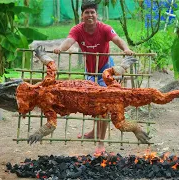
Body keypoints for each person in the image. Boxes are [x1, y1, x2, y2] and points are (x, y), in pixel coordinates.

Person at [54, 1, 133, 153]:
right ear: (82, 15)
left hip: (105, 69)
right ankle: (94, 131)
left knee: (103, 106)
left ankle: (101, 142)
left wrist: (126, 49)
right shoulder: (77, 29)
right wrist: (59, 49)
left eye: (92, 12)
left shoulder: (104, 28)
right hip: (89, 70)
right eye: (87, 12)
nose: (90, 15)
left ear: (97, 15)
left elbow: (117, 39)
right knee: (91, 103)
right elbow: (68, 42)